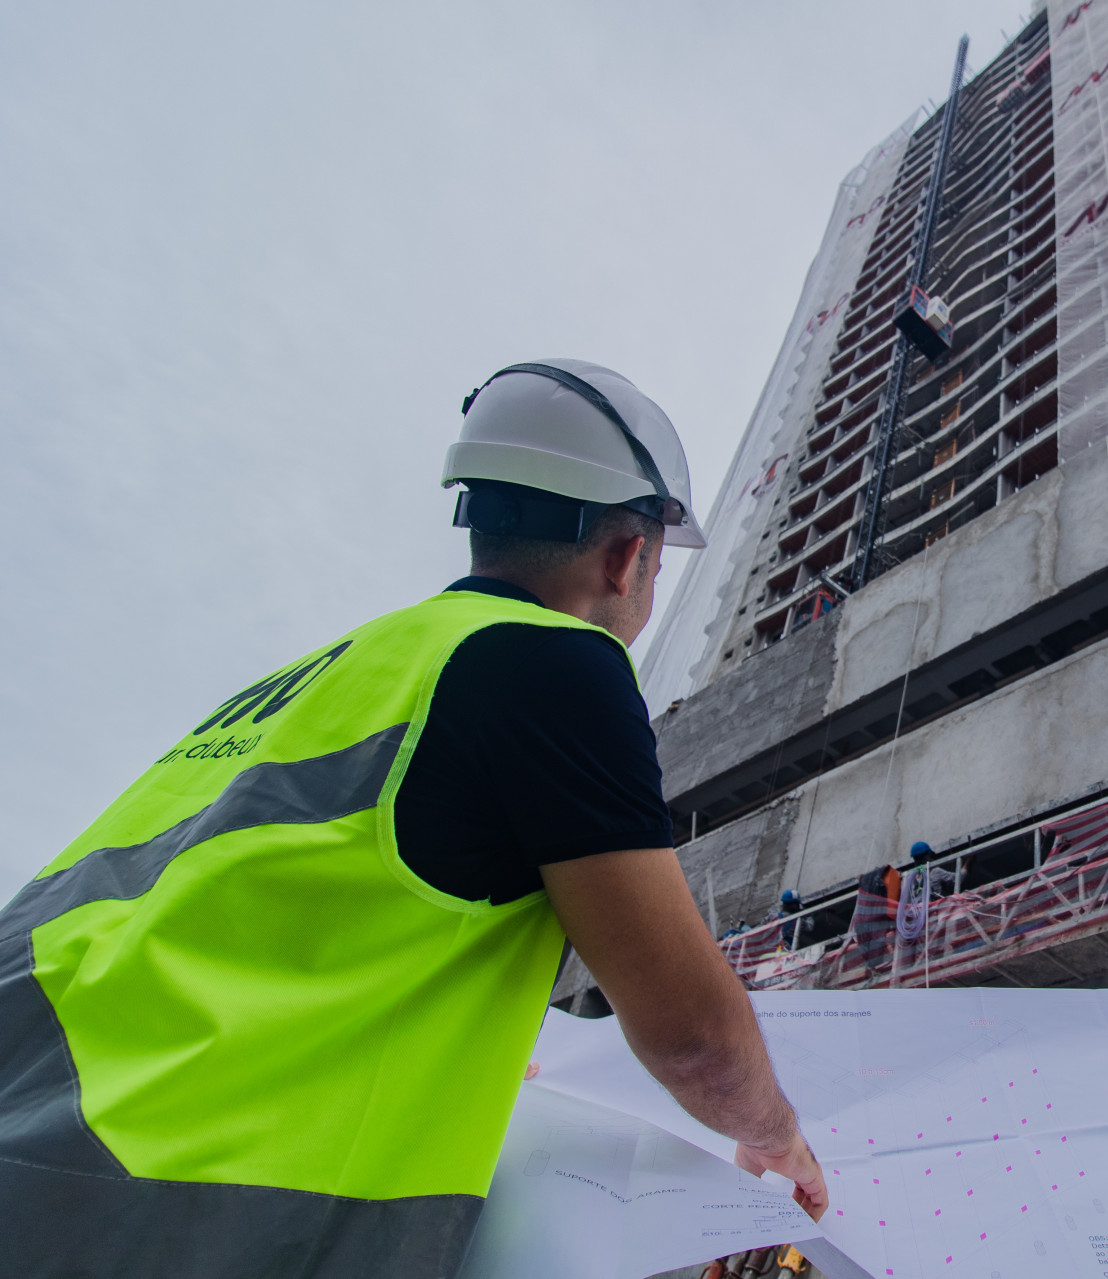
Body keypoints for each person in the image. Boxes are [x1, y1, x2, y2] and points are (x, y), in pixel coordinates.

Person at [0, 360, 827, 1277]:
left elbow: (277, 925)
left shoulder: (329, 672)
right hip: (172, 1213)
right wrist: (776, 1133)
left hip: (34, 1129)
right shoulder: (556, 663)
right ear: (629, 556)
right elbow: (692, 1033)